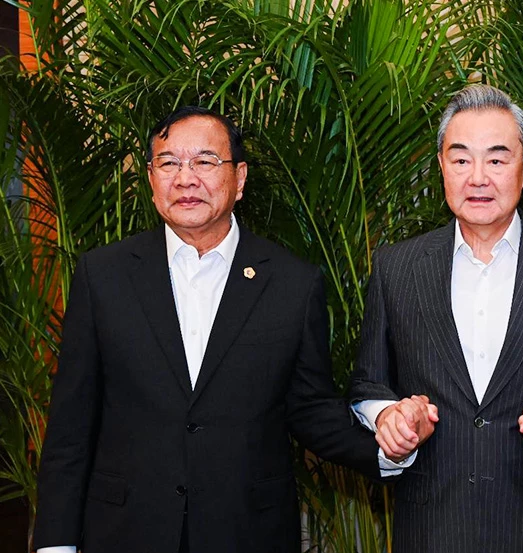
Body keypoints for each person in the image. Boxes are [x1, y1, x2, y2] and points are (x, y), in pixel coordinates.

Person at [32, 107, 436, 553]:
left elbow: (310, 410)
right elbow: (71, 424)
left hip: (248, 533)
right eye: (169, 163)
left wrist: (389, 446)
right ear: (151, 179)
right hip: (125, 532)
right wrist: (56, 544)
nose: (185, 179)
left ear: (239, 178)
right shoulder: (103, 275)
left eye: (205, 162)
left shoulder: (292, 283)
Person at [350, 84, 523, 553]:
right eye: (461, 159)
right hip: (429, 530)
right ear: (441, 166)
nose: (477, 177)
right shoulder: (397, 267)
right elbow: (367, 383)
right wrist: (390, 418)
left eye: (497, 159)